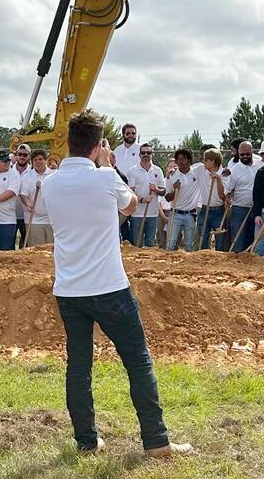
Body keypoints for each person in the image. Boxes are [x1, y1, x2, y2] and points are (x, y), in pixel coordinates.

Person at [39, 109, 192, 458]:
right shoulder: (107, 178)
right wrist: (109, 166)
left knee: (78, 366)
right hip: (109, 286)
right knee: (138, 361)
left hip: (69, 288)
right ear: (98, 146)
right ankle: (156, 442)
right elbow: (132, 204)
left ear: (69, 143)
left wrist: (102, 166)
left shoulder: (49, 183)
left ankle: (86, 442)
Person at [125, 145, 166, 247]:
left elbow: (163, 191)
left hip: (153, 214)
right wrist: (142, 200)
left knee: (149, 245)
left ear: (152, 155)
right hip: (137, 214)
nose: (146, 155)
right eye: (143, 153)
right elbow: (131, 192)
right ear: (139, 155)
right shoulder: (132, 171)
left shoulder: (158, 170)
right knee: (137, 244)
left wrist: (156, 189)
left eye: (148, 153)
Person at [164, 148, 201, 251]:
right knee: (171, 244)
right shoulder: (172, 176)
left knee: (189, 245)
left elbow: (210, 165)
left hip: (190, 214)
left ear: (189, 160)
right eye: (178, 159)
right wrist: (175, 190)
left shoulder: (197, 173)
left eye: (183, 159)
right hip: (175, 213)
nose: (180, 161)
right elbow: (167, 198)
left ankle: (188, 267)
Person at [226, 141, 260, 253]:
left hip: (256, 208)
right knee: (238, 239)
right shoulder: (234, 170)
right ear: (238, 154)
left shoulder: (260, 164)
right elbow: (229, 189)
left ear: (252, 152)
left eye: (247, 154)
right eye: (242, 154)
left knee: (252, 239)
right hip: (239, 208)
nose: (245, 156)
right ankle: (237, 265)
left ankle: (249, 266)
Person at [194, 148, 229, 250]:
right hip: (205, 209)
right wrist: (174, 170)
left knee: (220, 242)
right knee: (202, 239)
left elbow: (222, 196)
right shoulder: (200, 169)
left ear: (213, 161)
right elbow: (187, 170)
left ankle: (219, 264)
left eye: (205, 160)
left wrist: (218, 180)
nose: (203, 161)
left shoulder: (225, 173)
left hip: (219, 210)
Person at [20, 149, 56, 247]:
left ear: (45, 160)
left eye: (40, 159)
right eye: (35, 160)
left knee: (52, 250)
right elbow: (23, 195)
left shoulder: (54, 174)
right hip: (33, 219)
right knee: (36, 252)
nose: (38, 162)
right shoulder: (27, 177)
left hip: (52, 219)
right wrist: (28, 203)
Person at [114, 124, 140, 242]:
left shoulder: (141, 150)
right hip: (120, 189)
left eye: (133, 133)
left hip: (135, 192)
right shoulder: (117, 150)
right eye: (128, 133)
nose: (131, 136)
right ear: (123, 134)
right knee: (121, 221)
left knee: (135, 223)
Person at [12, 144, 33, 247]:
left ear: (29, 156)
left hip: (26, 215)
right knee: (10, 242)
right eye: (19, 154)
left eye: (25, 155)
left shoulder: (33, 171)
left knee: (25, 244)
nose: (22, 157)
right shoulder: (9, 169)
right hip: (10, 214)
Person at [157, 158, 177, 249]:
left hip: (175, 213)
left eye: (175, 166)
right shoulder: (163, 182)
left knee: (174, 241)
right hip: (163, 213)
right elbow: (158, 202)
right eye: (170, 166)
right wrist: (163, 217)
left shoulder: (181, 182)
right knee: (162, 240)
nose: (172, 168)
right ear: (167, 168)